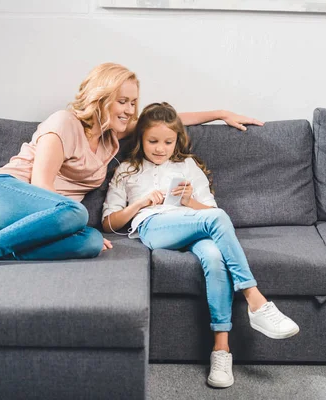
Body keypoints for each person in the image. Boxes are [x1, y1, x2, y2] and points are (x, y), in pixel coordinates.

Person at [0, 63, 264, 296]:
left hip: (35, 222)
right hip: (2, 196)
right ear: (101, 98)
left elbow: (166, 120)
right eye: (123, 101)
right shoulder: (63, 123)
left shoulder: (110, 136)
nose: (131, 110)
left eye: (133, 102)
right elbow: (42, 189)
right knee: (78, 216)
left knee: (90, 243)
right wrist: (73, 223)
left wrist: (220, 113)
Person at [102, 102, 299, 389]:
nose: (160, 148)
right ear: (141, 138)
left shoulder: (188, 166)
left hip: (193, 222)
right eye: (153, 141)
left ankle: (221, 350)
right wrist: (141, 203)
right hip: (154, 227)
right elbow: (108, 223)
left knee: (215, 255)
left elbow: (209, 210)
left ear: (177, 141)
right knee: (216, 219)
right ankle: (256, 300)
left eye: (168, 142)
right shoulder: (128, 169)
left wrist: (189, 201)